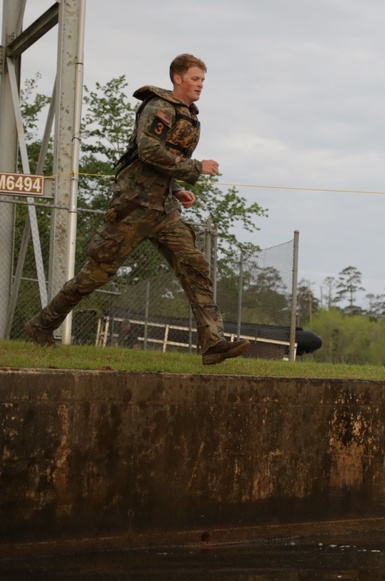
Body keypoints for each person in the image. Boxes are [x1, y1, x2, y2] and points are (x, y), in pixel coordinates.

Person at [25, 54, 250, 365]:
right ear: (178, 79)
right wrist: (195, 167)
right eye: (196, 79)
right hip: (133, 208)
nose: (200, 85)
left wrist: (177, 190)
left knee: (195, 266)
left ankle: (213, 343)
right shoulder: (159, 107)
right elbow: (148, 151)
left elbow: (164, 161)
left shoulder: (186, 114)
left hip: (163, 211)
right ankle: (41, 325)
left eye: (203, 80)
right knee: (95, 275)